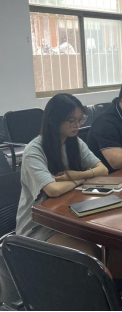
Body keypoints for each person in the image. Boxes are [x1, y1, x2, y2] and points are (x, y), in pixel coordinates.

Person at [16, 94, 109, 258]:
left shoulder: (74, 142)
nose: (77, 125)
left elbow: (103, 170)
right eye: (71, 120)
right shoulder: (34, 150)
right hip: (38, 228)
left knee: (110, 246)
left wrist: (76, 175)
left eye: (80, 119)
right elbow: (53, 190)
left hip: (69, 217)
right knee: (93, 254)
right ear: (53, 120)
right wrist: (81, 179)